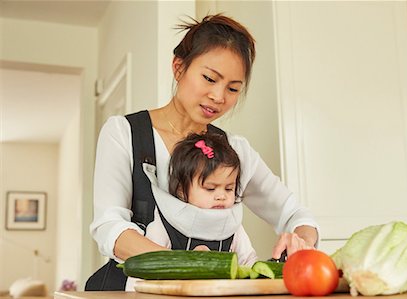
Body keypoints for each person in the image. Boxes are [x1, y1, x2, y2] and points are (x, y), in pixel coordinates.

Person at [87, 13, 319, 291]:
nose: (219, 97)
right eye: (209, 78)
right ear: (178, 67)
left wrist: (301, 242)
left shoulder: (235, 151)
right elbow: (109, 226)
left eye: (233, 88)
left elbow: (296, 215)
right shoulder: (124, 133)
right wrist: (183, 265)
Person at [125, 131, 258, 291]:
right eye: (210, 188)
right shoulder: (165, 224)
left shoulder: (233, 227)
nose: (221, 196)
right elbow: (143, 270)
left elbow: (249, 264)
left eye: (229, 188)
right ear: (181, 190)